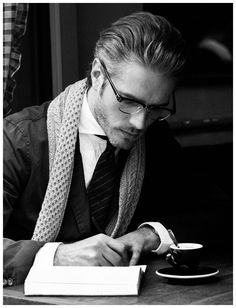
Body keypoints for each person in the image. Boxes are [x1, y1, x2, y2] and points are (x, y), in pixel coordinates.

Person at [3, 11, 186, 286]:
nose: (139, 122)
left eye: (156, 107)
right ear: (98, 75)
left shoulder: (155, 137)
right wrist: (56, 255)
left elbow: (215, 210)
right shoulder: (17, 138)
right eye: (128, 101)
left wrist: (149, 234)